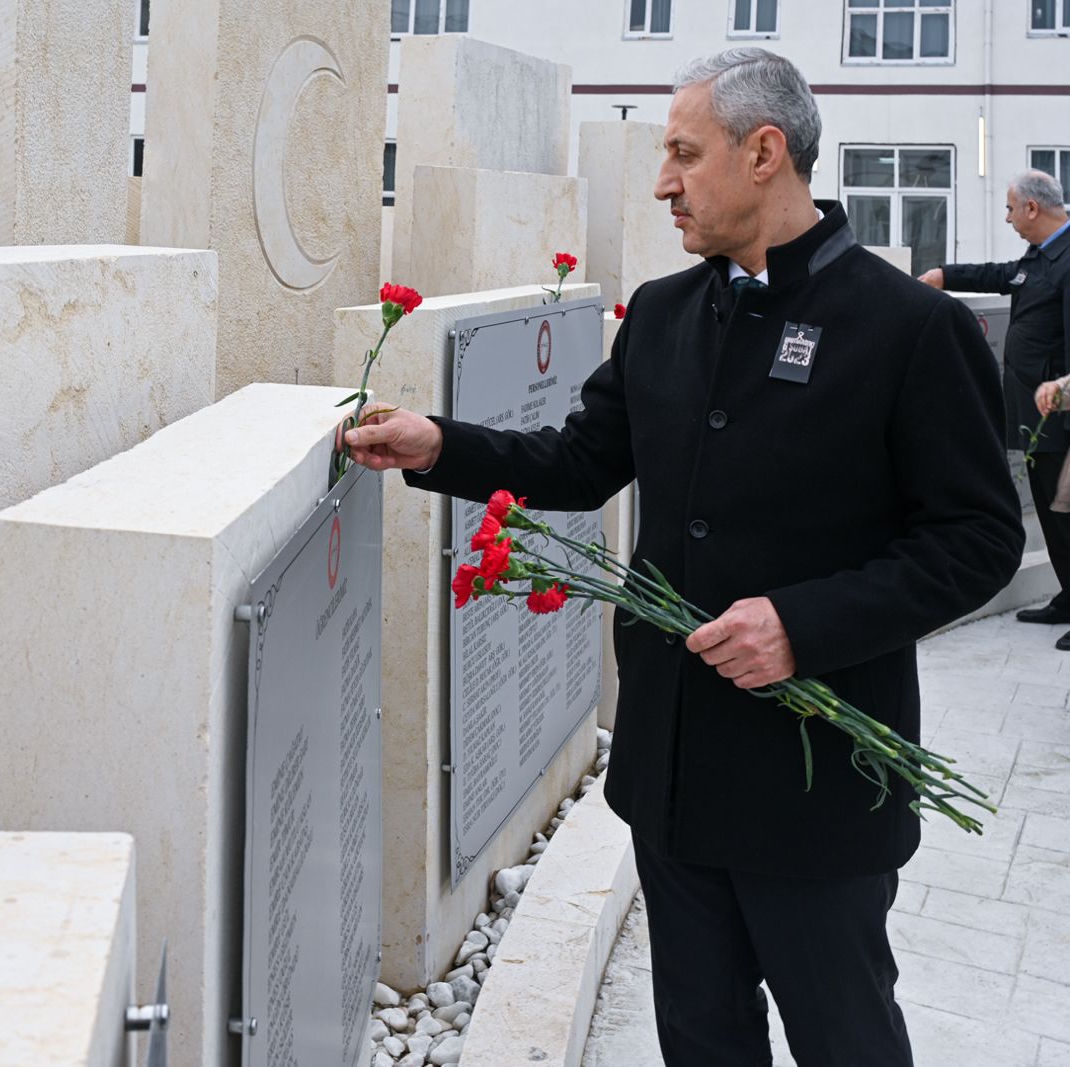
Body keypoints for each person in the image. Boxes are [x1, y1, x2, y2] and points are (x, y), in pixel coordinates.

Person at [344, 48, 1023, 1067]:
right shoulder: (663, 313)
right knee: (701, 1040)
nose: (664, 182)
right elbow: (580, 461)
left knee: (846, 1038)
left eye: (684, 154)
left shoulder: (910, 328)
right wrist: (440, 444)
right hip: (672, 774)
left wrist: (801, 624)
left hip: (815, 788)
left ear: (764, 152)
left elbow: (977, 539)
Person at [918, 170, 1070, 645]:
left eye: (1009, 208)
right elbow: (1004, 276)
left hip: (1059, 417)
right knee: (1052, 514)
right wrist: (946, 275)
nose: (1006, 218)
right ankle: (1068, 596)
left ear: (1032, 208)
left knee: (1067, 515)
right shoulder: (1041, 254)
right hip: (1035, 415)